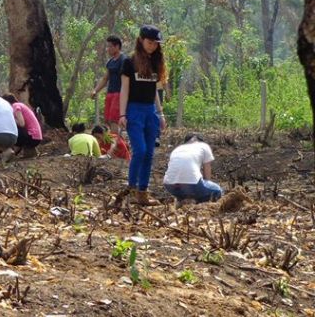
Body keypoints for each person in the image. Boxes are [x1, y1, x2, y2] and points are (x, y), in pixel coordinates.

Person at [118, 25, 167, 205]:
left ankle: (142, 193)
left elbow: (154, 89)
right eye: (149, 42)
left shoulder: (155, 62)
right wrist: (122, 114)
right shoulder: (129, 62)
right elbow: (124, 89)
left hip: (150, 111)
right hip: (134, 110)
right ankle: (131, 189)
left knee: (149, 154)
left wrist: (160, 113)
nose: (152, 46)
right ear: (141, 40)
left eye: (156, 44)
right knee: (140, 150)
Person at [163, 134, 223, 204]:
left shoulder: (177, 149)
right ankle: (195, 201)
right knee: (218, 191)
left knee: (187, 188)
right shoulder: (204, 146)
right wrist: (205, 184)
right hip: (192, 186)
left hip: (170, 185)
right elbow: (207, 171)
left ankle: (183, 199)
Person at [90, 35, 127, 131]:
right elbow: (105, 79)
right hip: (110, 93)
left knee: (114, 120)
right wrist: (95, 90)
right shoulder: (110, 62)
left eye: (110, 46)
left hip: (119, 94)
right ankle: (115, 141)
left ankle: (117, 143)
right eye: (107, 47)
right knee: (108, 120)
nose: (108, 49)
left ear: (117, 47)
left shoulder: (124, 60)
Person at [2, 94, 42, 158]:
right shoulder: (20, 105)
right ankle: (16, 150)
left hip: (32, 137)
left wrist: (10, 118)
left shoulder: (15, 106)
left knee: (8, 129)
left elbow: (21, 123)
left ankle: (12, 150)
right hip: (36, 137)